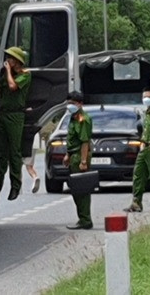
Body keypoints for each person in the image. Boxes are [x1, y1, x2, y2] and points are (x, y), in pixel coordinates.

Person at [0, 46, 32, 200]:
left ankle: (15, 186)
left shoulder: (25, 75)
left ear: (17, 61)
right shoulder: (6, 75)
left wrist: (8, 72)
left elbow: (12, 86)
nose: (7, 61)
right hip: (3, 114)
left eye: (10, 58)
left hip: (16, 116)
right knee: (1, 149)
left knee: (14, 151)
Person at [64, 91, 93, 229]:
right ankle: (82, 218)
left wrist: (83, 161)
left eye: (73, 103)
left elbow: (84, 142)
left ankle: (85, 220)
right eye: (68, 103)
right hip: (74, 155)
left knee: (81, 190)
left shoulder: (83, 119)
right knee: (76, 189)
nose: (70, 106)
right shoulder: (73, 118)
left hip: (80, 156)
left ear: (80, 104)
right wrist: (68, 155)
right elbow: (72, 139)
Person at [124, 87, 150, 213]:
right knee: (138, 175)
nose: (146, 99)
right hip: (145, 147)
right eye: (144, 97)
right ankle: (136, 202)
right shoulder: (145, 113)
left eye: (148, 97)